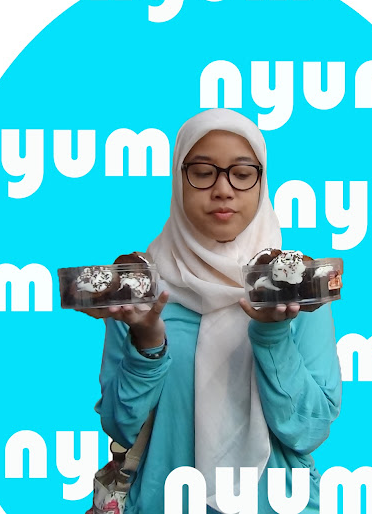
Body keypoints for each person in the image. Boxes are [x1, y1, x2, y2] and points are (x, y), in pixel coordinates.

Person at [80, 108, 342, 513]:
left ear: (262, 182)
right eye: (203, 172)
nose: (223, 190)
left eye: (242, 173)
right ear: (178, 180)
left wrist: (273, 336)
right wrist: (147, 343)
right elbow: (120, 426)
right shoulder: (141, 293)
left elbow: (309, 430)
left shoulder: (297, 290)